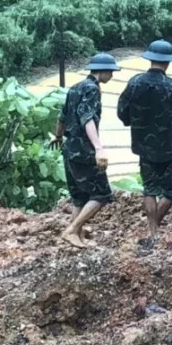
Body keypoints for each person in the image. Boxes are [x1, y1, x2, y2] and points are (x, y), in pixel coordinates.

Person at [117, 40, 172, 241]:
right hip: (169, 146)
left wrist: (133, 122)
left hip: (142, 145)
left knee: (150, 188)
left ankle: (152, 231)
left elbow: (122, 112)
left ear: (151, 59)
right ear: (167, 63)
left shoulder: (134, 82)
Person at [52, 53, 120, 249]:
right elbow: (86, 117)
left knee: (79, 196)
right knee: (102, 194)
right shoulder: (92, 89)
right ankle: (72, 230)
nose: (112, 76)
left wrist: (58, 136)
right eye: (111, 72)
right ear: (103, 71)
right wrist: (99, 148)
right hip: (83, 150)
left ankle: (77, 237)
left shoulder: (75, 88)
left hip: (69, 148)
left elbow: (62, 116)